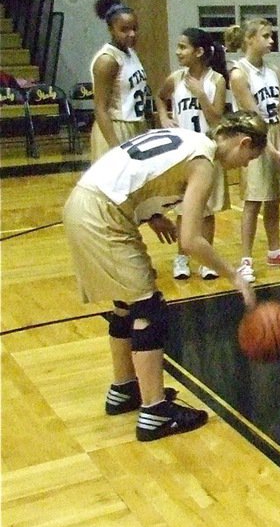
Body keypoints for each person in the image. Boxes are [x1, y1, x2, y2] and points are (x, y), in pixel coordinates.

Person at [63, 112, 267, 441]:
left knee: (127, 303)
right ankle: (154, 413)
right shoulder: (204, 161)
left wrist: (153, 213)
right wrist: (235, 276)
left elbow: (139, 173)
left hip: (85, 202)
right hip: (104, 214)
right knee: (150, 310)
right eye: (249, 158)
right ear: (244, 143)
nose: (244, 166)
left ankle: (125, 389)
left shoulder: (189, 139)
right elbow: (191, 241)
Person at [225, 18, 280, 280]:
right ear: (249, 39)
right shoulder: (238, 73)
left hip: (273, 135)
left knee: (274, 198)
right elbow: (253, 116)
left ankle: (275, 251)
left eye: (272, 36)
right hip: (252, 138)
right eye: (266, 36)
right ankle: (246, 260)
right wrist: (271, 149)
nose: (271, 41)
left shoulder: (274, 70)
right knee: (253, 201)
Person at [157, 28, 229, 281]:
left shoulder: (216, 81)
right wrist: (164, 116)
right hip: (180, 152)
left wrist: (201, 95)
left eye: (183, 47)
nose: (178, 52)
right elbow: (159, 96)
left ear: (199, 52)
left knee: (206, 210)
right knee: (181, 208)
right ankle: (181, 257)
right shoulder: (175, 78)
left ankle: (207, 261)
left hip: (207, 151)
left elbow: (217, 119)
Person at [89, 0, 151, 160]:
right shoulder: (107, 60)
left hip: (136, 124)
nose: (131, 34)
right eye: (124, 30)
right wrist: (115, 147)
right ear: (111, 29)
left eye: (134, 28)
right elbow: (100, 108)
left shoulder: (130, 52)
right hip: (115, 127)